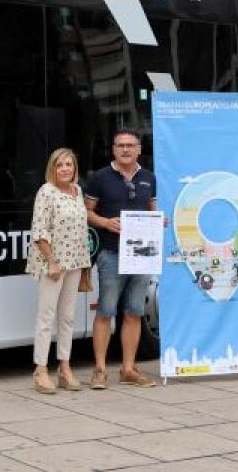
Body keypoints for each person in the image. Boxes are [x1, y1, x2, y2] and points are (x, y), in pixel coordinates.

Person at [84, 128, 157, 389]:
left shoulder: (149, 177)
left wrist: (159, 222)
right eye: (120, 145)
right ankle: (100, 370)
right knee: (105, 311)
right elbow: (87, 212)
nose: (125, 149)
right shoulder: (100, 178)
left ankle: (128, 369)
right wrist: (105, 222)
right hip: (111, 253)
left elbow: (152, 210)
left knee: (135, 312)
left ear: (139, 148)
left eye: (130, 145)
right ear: (113, 149)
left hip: (142, 256)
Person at [27, 148, 90, 394]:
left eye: (69, 164)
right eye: (60, 165)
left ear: (75, 168)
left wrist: (84, 264)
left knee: (68, 317)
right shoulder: (46, 192)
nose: (65, 168)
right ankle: (40, 370)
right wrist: (52, 260)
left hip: (75, 262)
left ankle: (64, 367)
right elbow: (40, 229)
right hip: (52, 264)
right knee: (46, 317)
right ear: (52, 168)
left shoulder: (78, 192)